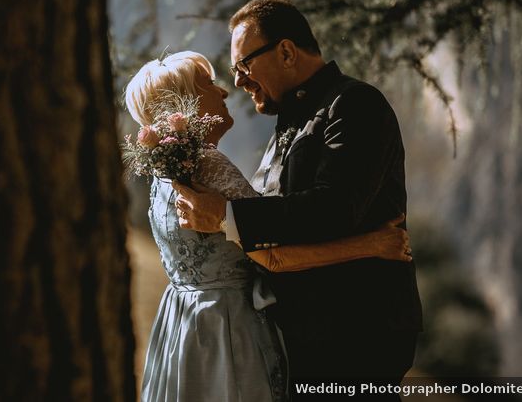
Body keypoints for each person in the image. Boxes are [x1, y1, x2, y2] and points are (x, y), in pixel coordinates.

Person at [125, 50, 413, 402]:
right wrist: (372, 245)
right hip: (228, 331)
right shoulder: (209, 166)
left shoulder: (163, 176)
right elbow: (275, 257)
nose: (225, 91)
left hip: (183, 327)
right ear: (187, 104)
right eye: (209, 85)